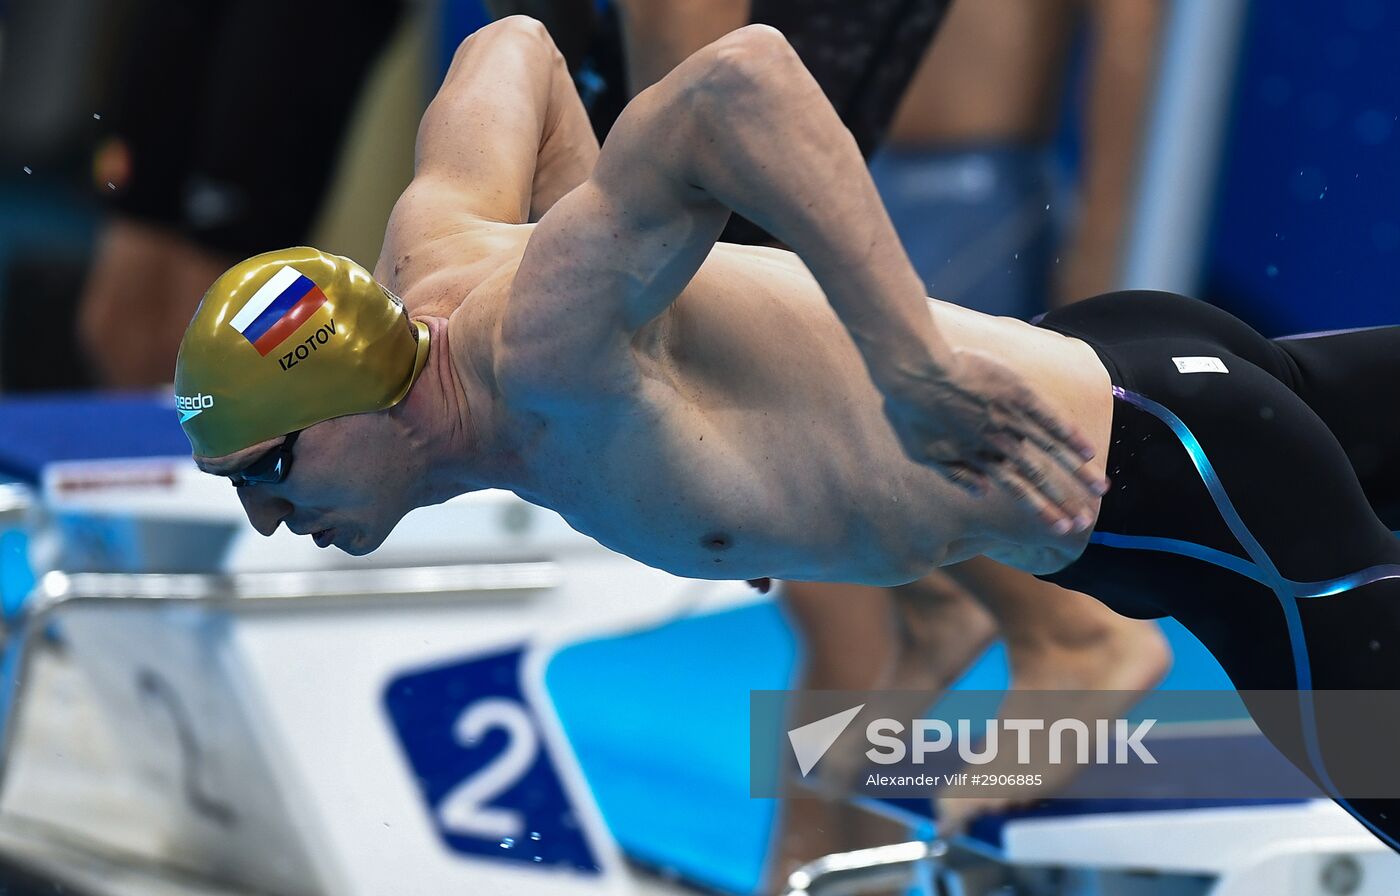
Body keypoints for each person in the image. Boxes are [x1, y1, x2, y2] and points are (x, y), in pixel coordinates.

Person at [174, 19, 1400, 852]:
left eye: (271, 468)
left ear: (362, 392)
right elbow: (516, 46)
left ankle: (1071, 656)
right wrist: (639, 307)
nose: (267, 517)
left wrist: (905, 361)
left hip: (1175, 471)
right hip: (1136, 381)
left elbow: (743, 77)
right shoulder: (436, 251)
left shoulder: (538, 346)